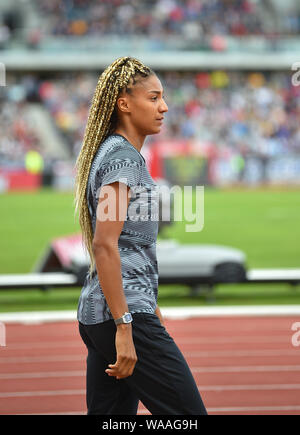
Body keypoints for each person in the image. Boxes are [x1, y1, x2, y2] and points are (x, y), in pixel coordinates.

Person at [74, 56, 207, 415]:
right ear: (124, 103)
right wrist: (125, 324)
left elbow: (128, 245)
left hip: (105, 311)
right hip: (119, 314)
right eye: (153, 97)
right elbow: (105, 243)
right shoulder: (123, 160)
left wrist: (150, 301)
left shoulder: (116, 154)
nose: (164, 107)